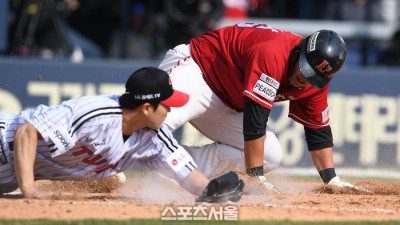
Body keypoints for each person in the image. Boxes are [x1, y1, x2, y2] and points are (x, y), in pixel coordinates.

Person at [158, 23, 370, 192]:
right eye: (306, 70)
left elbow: (318, 130)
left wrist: (331, 179)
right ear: (300, 51)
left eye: (314, 76)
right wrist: (255, 175)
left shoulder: (314, 82)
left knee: (270, 156)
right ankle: (123, 157)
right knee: (159, 120)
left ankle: (174, 167)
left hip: (230, 102)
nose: (306, 79)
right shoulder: (273, 52)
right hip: (198, 70)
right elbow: (256, 117)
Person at [0, 67, 244, 202]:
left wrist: (211, 189)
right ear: (147, 108)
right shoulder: (96, 114)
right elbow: (26, 132)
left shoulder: (153, 137)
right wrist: (29, 190)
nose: (171, 110)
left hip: (9, 176)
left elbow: (186, 173)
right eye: (167, 104)